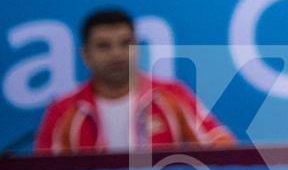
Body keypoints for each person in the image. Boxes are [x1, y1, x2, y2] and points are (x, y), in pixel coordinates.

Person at [34, 9, 238, 153]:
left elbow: (220, 146)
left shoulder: (171, 95)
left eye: (126, 43)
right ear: (85, 55)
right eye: (104, 46)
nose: (117, 54)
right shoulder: (63, 110)